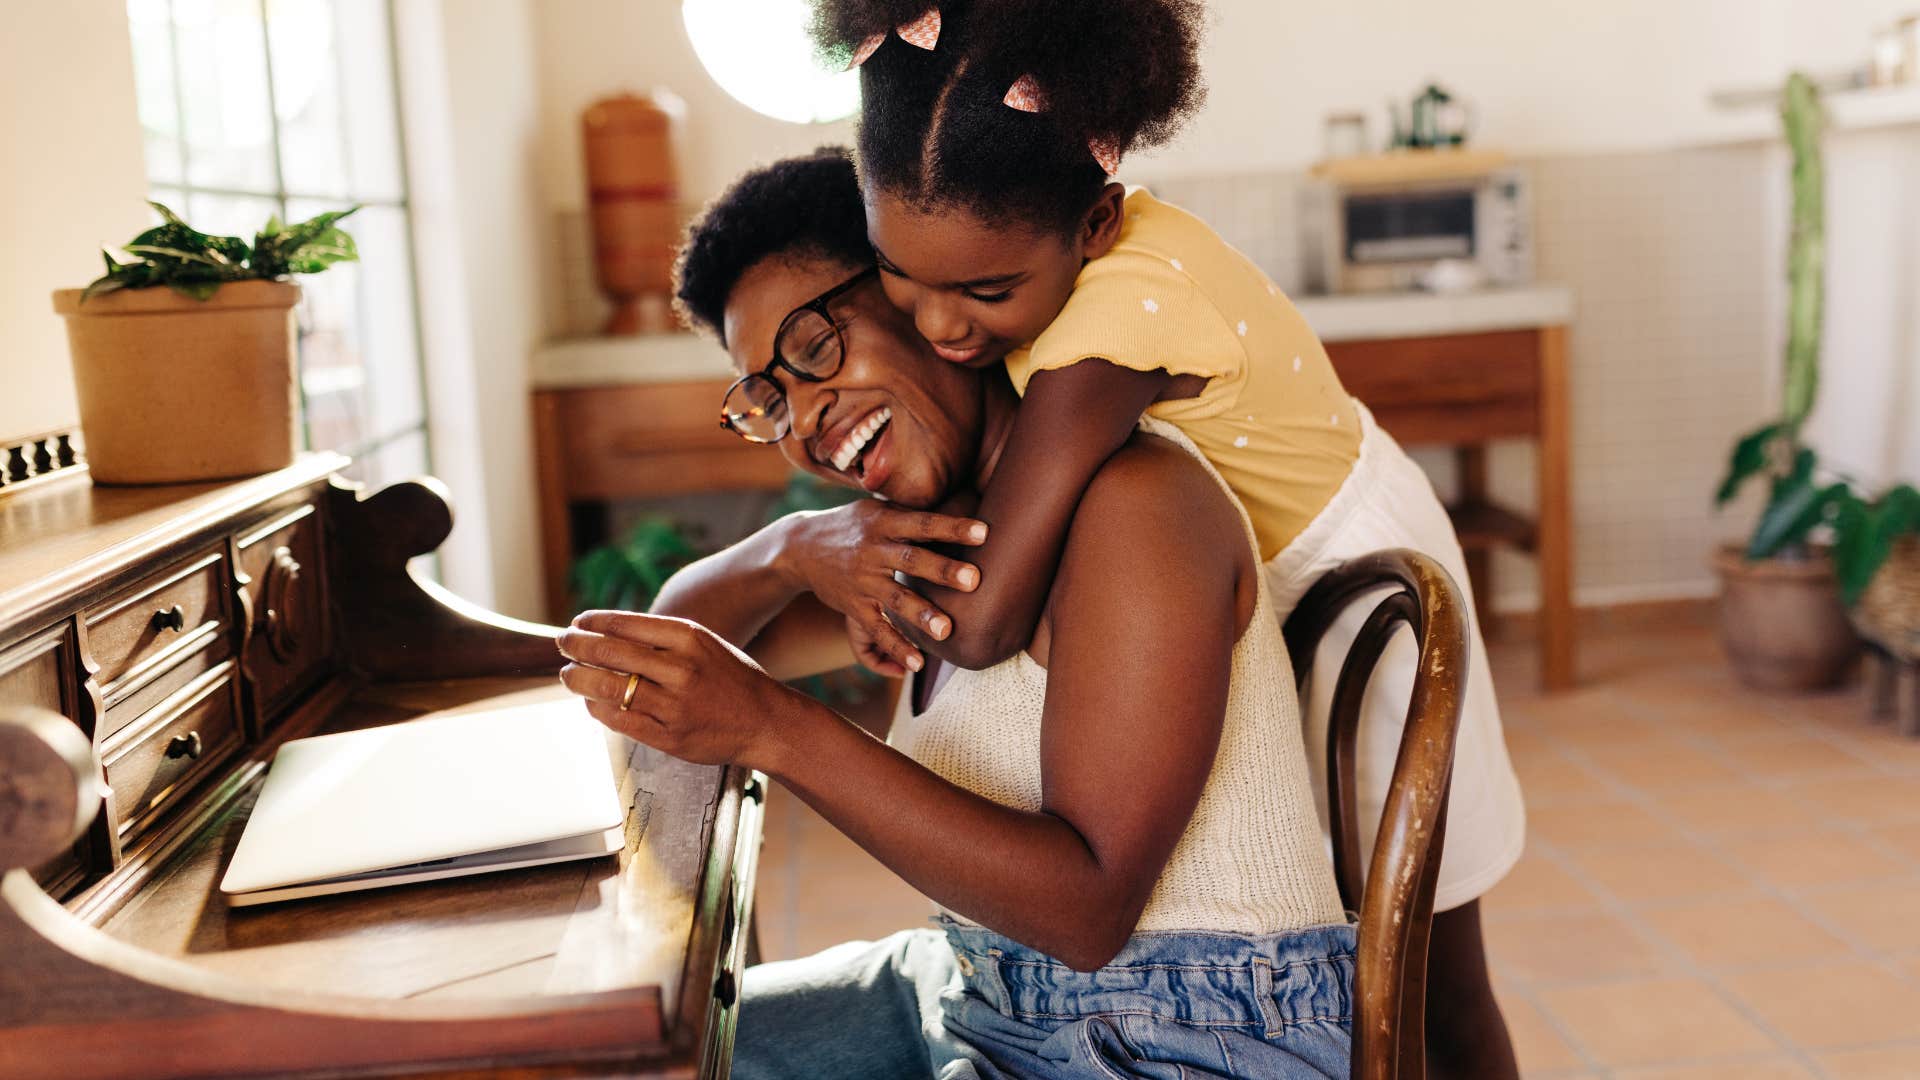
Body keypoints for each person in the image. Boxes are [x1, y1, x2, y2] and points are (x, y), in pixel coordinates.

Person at [804, 3, 1525, 1073]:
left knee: (1428, 970)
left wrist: (856, 569)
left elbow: (988, 613)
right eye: (900, 277)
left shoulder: (1114, 325)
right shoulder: (1031, 270)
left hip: (1345, 558)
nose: (941, 327)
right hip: (1256, 563)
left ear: (1094, 226)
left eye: (985, 291)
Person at [559, 147, 1354, 1079]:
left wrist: (775, 729)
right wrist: (794, 547)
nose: (808, 416)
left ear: (917, 294)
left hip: (1189, 1035)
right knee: (635, 1055)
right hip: (980, 986)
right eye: (771, 399)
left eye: (817, 349)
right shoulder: (929, 543)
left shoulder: (1135, 504)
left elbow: (1088, 911)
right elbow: (683, 635)